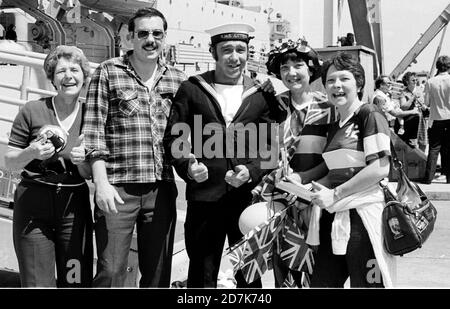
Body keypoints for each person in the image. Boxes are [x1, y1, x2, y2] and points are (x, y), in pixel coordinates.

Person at [163, 22, 280, 288]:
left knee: (249, 274)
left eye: (241, 49)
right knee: (202, 272)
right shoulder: (192, 89)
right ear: (213, 52)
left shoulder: (261, 95)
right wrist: (188, 167)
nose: (234, 57)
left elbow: (269, 149)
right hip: (205, 196)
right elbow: (174, 138)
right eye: (226, 50)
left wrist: (251, 171)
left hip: (247, 199)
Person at [82, 8, 187, 287]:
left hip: (161, 188)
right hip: (118, 190)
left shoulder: (178, 80)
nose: (150, 39)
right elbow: (93, 133)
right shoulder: (108, 72)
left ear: (164, 38)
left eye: (157, 34)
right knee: (111, 271)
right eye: (143, 33)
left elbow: (186, 134)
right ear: (131, 37)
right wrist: (101, 185)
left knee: (157, 274)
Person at [4, 45, 93, 287]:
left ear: (84, 76)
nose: (68, 76)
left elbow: (88, 173)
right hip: (33, 204)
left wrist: (82, 161)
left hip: (73, 207)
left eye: (75, 70)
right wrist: (31, 151)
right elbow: (9, 162)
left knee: (75, 279)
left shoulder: (91, 114)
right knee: (36, 282)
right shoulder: (32, 110)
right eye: (61, 71)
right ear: (53, 78)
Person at [308, 52, 396, 288]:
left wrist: (335, 194)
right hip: (334, 215)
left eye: (343, 79)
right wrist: (309, 188)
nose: (336, 85)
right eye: (330, 80)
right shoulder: (334, 126)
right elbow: (336, 172)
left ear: (358, 83)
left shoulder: (370, 115)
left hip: (364, 218)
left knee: (368, 285)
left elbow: (379, 168)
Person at [264, 38, 337, 287]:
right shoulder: (273, 106)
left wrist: (305, 181)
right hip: (281, 202)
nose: (291, 73)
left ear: (310, 69)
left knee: (319, 270)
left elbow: (334, 158)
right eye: (284, 68)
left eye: (298, 66)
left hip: (318, 200)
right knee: (283, 267)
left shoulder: (329, 108)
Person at [422, 55, 450, 184]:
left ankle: (428, 178)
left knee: (434, 149)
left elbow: (426, 102)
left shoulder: (430, 82)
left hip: (435, 119)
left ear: (438, 67)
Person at [395, 72, 425, 148]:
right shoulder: (403, 92)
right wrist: (412, 97)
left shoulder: (419, 90)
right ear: (407, 82)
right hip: (410, 120)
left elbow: (423, 103)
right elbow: (403, 107)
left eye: (416, 80)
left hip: (421, 119)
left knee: (423, 142)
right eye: (413, 80)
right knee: (412, 143)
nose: (415, 82)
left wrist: (423, 106)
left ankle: (422, 159)